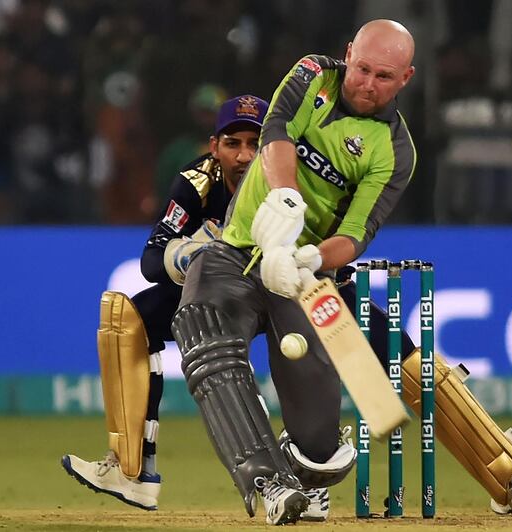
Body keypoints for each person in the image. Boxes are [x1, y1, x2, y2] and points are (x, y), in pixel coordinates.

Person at [170, 19, 419, 526]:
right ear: (348, 53)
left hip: (302, 280)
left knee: (320, 444)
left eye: (384, 77)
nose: (368, 83)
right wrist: (286, 196)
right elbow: (277, 130)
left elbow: (356, 234)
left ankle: (307, 465)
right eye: (363, 68)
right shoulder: (314, 74)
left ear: (406, 79)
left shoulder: (395, 152)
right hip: (237, 252)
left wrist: (309, 259)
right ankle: (268, 481)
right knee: (204, 334)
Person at [60, 94, 270, 511]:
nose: (244, 156)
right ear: (214, 146)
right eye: (233, 143)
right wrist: (190, 254)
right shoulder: (196, 182)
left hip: (281, 290)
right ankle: (133, 472)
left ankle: (306, 466)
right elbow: (152, 260)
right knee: (128, 319)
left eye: (254, 143)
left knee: (358, 326)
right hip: (216, 292)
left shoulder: (287, 180)